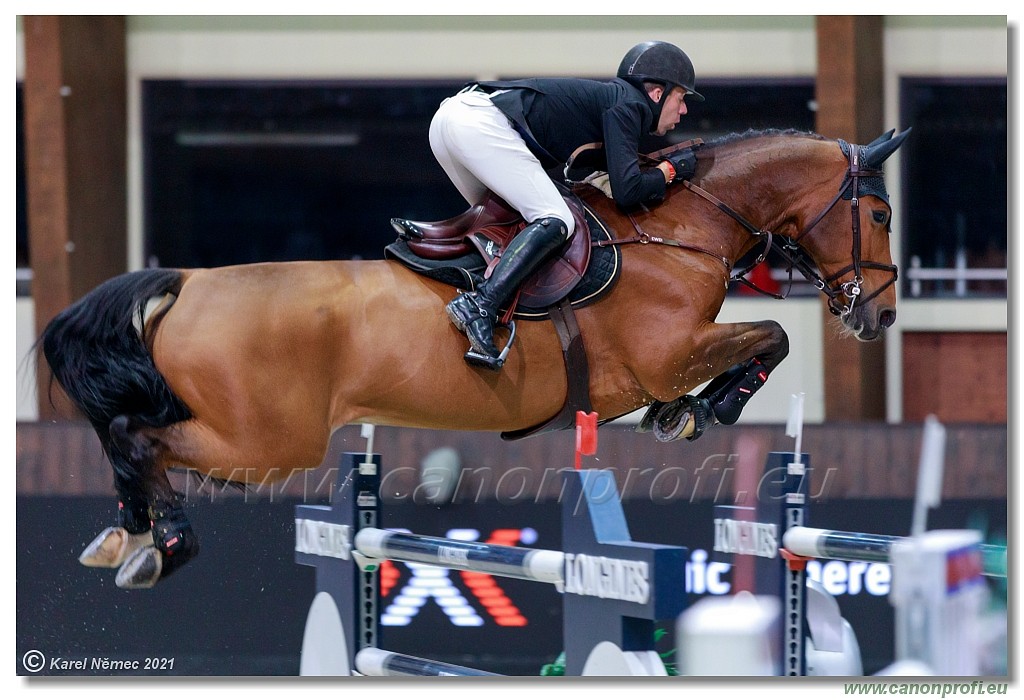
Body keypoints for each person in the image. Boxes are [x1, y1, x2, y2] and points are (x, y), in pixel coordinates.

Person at [400, 40, 703, 370]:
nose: (684, 111)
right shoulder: (630, 105)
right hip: (477, 124)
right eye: (681, 98)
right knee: (557, 219)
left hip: (449, 119)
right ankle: (480, 306)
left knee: (503, 219)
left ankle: (443, 255)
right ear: (657, 94)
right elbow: (628, 190)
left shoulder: (613, 101)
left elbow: (599, 179)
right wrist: (670, 171)